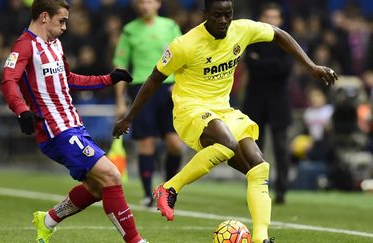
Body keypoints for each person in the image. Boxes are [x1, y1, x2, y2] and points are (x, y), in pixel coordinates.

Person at [112, 0, 338, 242]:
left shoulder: (242, 29)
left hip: (223, 110)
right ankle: (169, 188)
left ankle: (261, 238)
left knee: (259, 168)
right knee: (227, 143)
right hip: (190, 110)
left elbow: (278, 34)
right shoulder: (184, 45)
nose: (222, 21)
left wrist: (311, 66)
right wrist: (129, 117)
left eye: (227, 15)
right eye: (217, 15)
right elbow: (153, 80)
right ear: (205, 14)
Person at [0, 1, 146, 243]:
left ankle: (47, 220)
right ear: (44, 17)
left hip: (74, 126)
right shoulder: (25, 46)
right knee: (112, 175)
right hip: (55, 131)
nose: (65, 27)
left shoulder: (55, 44)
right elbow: (8, 80)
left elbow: (68, 79)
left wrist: (108, 79)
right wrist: (22, 110)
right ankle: (136, 241)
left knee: (98, 188)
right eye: (62, 21)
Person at [113, 0, 183, 207]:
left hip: (168, 88)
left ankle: (169, 188)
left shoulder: (170, 26)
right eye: (141, 2)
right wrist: (120, 100)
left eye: (148, 1)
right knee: (147, 142)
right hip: (141, 89)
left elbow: (184, 57)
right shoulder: (129, 30)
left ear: (158, 4)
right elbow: (120, 64)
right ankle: (147, 195)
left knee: (175, 145)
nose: (145, 6)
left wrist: (181, 84)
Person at [242, 3, 292, 204]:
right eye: (267, 16)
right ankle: (258, 190)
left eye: (275, 17)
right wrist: (272, 65)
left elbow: (285, 69)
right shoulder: (252, 39)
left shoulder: (286, 41)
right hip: (255, 100)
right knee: (254, 149)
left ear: (280, 20)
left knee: (281, 148)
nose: (271, 20)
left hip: (279, 101)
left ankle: (281, 190)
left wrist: (262, 63)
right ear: (261, 18)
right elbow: (251, 64)